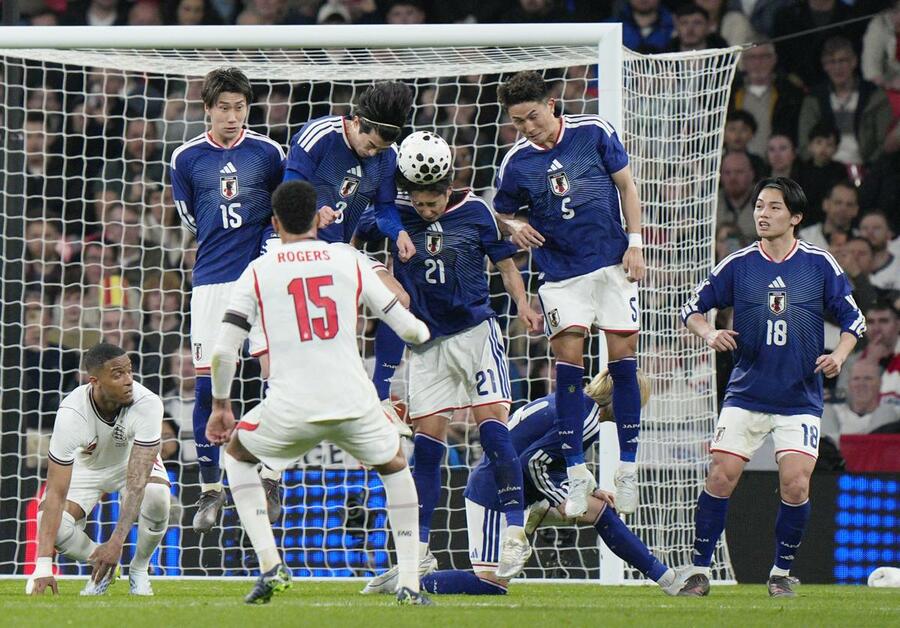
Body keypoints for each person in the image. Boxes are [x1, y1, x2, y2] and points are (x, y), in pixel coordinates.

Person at [206, 180, 432, 605]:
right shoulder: (347, 258)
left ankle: (270, 566)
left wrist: (221, 405)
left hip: (290, 406)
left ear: (275, 223)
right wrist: (422, 333)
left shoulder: (258, 270)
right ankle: (409, 585)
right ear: (317, 218)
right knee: (395, 467)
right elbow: (408, 328)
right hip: (353, 402)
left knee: (236, 457)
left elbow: (222, 352)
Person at [356, 132, 545, 588]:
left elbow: (505, 264)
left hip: (476, 333)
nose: (425, 211)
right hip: (427, 344)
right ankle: (418, 553)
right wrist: (378, 270)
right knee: (426, 446)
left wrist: (522, 303)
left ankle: (515, 532)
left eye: (433, 203)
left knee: (493, 427)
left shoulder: (477, 211)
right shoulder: (394, 214)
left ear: (447, 189)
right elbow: (351, 237)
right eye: (419, 204)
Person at [679, 177, 866, 597]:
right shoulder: (738, 264)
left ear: (795, 217)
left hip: (799, 396)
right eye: (759, 206)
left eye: (774, 207)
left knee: (796, 484)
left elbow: (855, 320)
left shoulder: (818, 263)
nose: (763, 214)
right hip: (746, 393)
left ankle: (780, 573)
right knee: (720, 476)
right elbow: (692, 308)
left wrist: (839, 355)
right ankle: (699, 570)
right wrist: (709, 333)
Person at [366, 368, 683, 596]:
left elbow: (544, 456)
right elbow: (532, 460)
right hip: (494, 491)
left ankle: (666, 578)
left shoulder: (577, 404)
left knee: (600, 508)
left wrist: (585, 487)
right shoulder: (586, 418)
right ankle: (410, 581)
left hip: (519, 488)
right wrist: (562, 495)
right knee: (490, 584)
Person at [493, 71, 647, 517]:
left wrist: (636, 244)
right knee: (568, 371)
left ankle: (627, 470)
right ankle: (577, 472)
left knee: (623, 363)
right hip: (561, 276)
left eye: (533, 116)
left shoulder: (594, 132)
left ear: (552, 105)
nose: (527, 127)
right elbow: (500, 213)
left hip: (612, 264)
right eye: (518, 121)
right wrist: (515, 225)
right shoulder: (516, 162)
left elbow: (627, 186)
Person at [169, 66, 285, 534]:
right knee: (207, 387)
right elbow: (191, 219)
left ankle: (271, 478)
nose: (233, 116)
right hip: (212, 281)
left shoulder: (269, 153)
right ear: (208, 109)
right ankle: (210, 488)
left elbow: (281, 212)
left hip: (261, 279)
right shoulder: (185, 158)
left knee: (274, 379)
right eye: (224, 108)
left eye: (240, 108)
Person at [282, 81, 417, 435]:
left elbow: (384, 208)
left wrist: (398, 232)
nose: (373, 154)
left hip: (338, 250)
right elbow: (288, 189)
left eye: (380, 149)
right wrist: (312, 210)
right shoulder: (319, 136)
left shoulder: (387, 155)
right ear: (356, 121)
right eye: (370, 144)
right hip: (294, 246)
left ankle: (381, 398)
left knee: (399, 300)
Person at [26, 343, 170, 597]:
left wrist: (116, 542)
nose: (129, 380)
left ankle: (139, 569)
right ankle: (104, 566)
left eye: (129, 371)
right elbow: (56, 494)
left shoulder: (148, 403)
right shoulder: (72, 413)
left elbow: (137, 482)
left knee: (157, 496)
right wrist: (43, 566)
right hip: (88, 466)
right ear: (95, 382)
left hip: (130, 460)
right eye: (118, 374)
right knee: (48, 521)